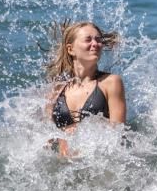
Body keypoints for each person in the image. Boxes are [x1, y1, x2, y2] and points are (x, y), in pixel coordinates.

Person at [45, 20, 126, 156]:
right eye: (88, 40)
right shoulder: (56, 90)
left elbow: (119, 132)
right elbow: (44, 135)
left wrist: (76, 129)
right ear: (70, 49)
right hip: (62, 169)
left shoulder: (111, 82)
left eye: (98, 40)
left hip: (98, 166)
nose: (95, 44)